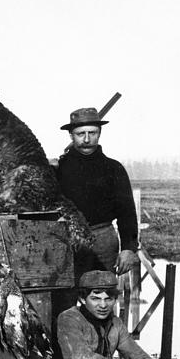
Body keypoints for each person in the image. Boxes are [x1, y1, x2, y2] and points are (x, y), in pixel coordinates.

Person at [56, 107, 138, 278]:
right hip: (64, 240)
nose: (87, 139)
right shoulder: (58, 169)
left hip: (103, 242)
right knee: (65, 298)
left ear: (99, 133)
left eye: (92, 133)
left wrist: (129, 249)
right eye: (81, 134)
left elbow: (127, 213)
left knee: (102, 295)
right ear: (71, 135)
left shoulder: (114, 169)